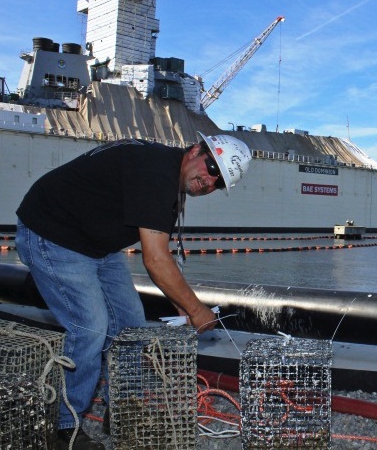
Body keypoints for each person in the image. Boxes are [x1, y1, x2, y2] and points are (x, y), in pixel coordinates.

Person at [15, 132, 251, 450]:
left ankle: (124, 411)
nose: (208, 181)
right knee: (90, 327)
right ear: (196, 150)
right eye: (211, 166)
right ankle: (62, 428)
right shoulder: (156, 172)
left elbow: (161, 257)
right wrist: (196, 310)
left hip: (95, 244)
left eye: (218, 182)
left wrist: (180, 302)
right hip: (52, 233)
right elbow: (155, 260)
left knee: (130, 326)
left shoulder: (167, 172)